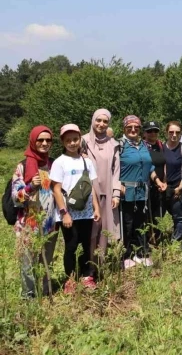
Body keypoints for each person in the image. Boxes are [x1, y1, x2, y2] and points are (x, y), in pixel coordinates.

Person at [51, 124, 101, 292]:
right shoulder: (59, 162)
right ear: (62, 142)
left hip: (86, 213)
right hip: (69, 213)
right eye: (68, 140)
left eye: (75, 139)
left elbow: (91, 187)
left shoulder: (87, 162)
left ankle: (87, 276)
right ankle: (70, 279)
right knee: (71, 246)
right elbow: (56, 189)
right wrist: (64, 213)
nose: (72, 143)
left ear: (80, 139)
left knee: (87, 245)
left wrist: (96, 208)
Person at [12, 126, 57, 298]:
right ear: (33, 141)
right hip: (28, 223)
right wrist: (30, 186)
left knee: (47, 260)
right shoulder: (23, 167)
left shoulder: (53, 164)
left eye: (48, 140)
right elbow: (16, 198)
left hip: (49, 223)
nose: (44, 143)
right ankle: (28, 295)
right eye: (40, 140)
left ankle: (45, 293)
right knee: (27, 262)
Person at [119, 116, 162, 268]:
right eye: (129, 127)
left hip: (143, 192)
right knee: (127, 224)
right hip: (127, 192)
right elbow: (113, 168)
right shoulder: (120, 145)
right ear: (124, 128)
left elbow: (149, 166)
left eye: (136, 127)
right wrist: (118, 186)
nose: (133, 130)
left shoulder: (143, 144)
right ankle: (126, 255)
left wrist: (157, 181)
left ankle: (141, 253)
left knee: (141, 223)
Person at [81, 109, 121, 269]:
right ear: (93, 120)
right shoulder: (82, 141)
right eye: (98, 120)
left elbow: (116, 170)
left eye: (105, 121)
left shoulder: (114, 144)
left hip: (108, 194)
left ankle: (100, 267)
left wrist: (116, 194)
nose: (101, 124)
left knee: (105, 232)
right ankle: (88, 268)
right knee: (90, 232)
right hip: (88, 195)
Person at [162, 121, 182, 241]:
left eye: (177, 132)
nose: (174, 135)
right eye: (171, 132)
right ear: (166, 133)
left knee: (178, 216)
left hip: (178, 187)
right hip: (163, 187)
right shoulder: (161, 147)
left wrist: (181, 187)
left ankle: (176, 242)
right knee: (159, 215)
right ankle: (156, 240)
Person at [143, 121, 167, 245]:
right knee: (147, 215)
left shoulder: (161, 145)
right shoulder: (142, 146)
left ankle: (156, 239)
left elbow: (165, 164)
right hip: (147, 185)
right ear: (144, 133)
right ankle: (147, 240)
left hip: (160, 186)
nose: (153, 133)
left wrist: (164, 181)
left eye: (155, 131)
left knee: (159, 214)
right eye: (149, 131)